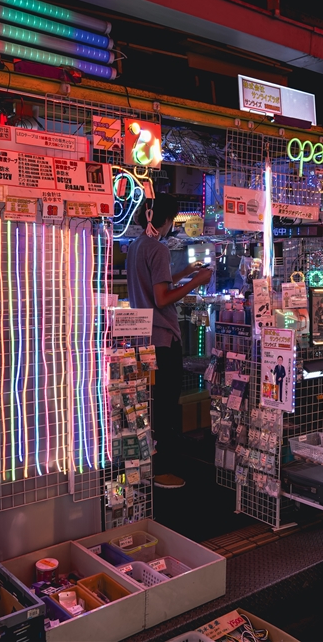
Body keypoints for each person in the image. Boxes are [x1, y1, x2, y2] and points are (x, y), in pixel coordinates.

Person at [126, 194, 212, 489]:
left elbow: (154, 288)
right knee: (165, 408)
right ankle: (162, 471)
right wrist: (196, 282)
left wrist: (185, 273)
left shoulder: (136, 246)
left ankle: (147, 467)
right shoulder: (159, 248)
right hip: (163, 339)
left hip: (143, 339)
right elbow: (162, 298)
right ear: (165, 219)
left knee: (152, 406)